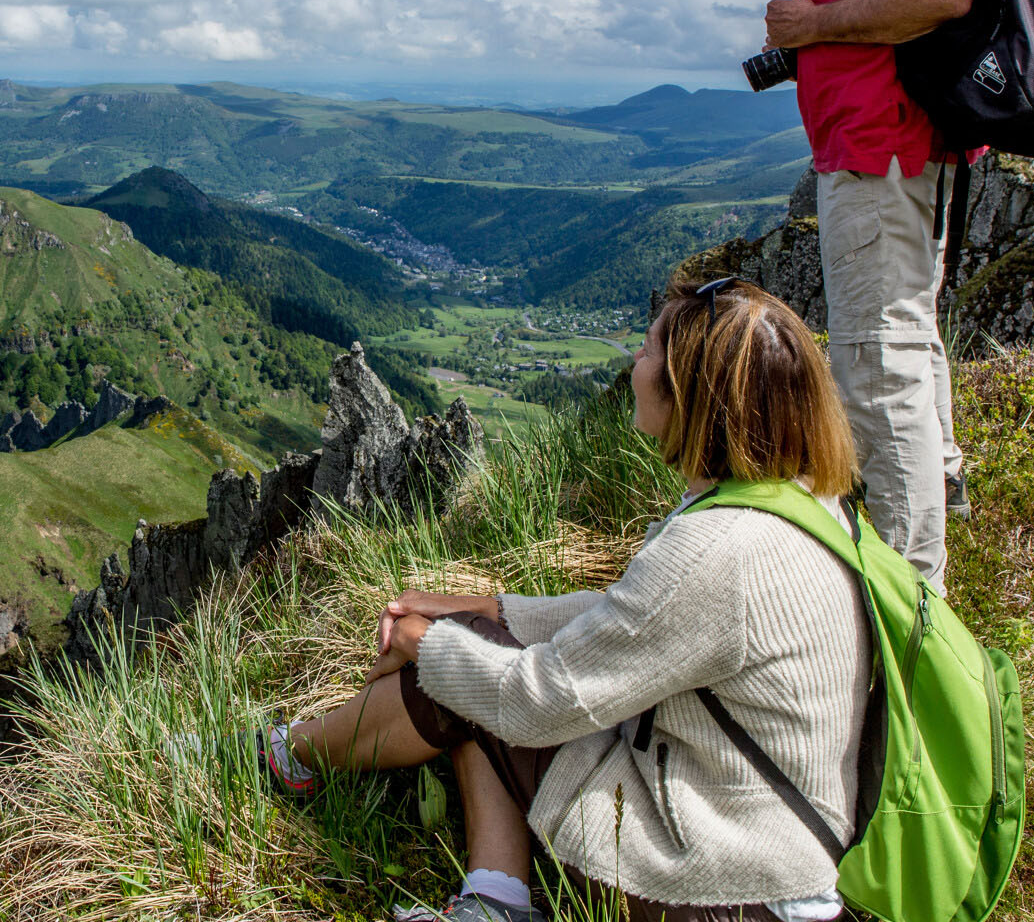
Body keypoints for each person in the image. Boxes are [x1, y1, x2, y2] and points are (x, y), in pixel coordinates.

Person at [263, 278, 872, 922]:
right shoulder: (800, 505)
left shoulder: (719, 548)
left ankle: (287, 758)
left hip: (715, 886)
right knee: (474, 654)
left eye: (645, 351)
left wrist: (426, 642)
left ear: (690, 394)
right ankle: (490, 898)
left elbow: (535, 703)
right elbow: (632, 619)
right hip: (764, 853)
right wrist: (482, 609)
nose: (632, 365)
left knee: (469, 678)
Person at [763, 0, 973, 589]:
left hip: (879, 147)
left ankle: (908, 592)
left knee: (874, 358)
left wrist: (813, 25)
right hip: (890, 143)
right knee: (905, 339)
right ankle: (936, 499)